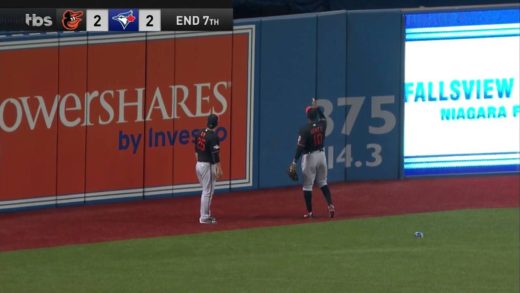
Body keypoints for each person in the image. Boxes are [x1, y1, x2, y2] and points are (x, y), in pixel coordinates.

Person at [291, 99, 335, 218]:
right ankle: (330, 204)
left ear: (307, 116)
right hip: (322, 156)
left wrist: (295, 161)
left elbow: (300, 148)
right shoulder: (322, 125)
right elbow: (324, 118)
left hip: (309, 158)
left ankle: (310, 212)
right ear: (315, 115)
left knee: (307, 186)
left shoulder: (304, 130)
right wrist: (317, 108)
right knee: (322, 182)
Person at [194, 114, 223, 224]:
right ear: (216, 123)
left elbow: (196, 151)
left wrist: (199, 163)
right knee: (208, 191)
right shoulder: (213, 136)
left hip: (198, 164)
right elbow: (215, 155)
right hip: (206, 166)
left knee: (206, 191)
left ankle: (206, 215)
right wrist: (219, 169)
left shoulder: (199, 133)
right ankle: (204, 217)